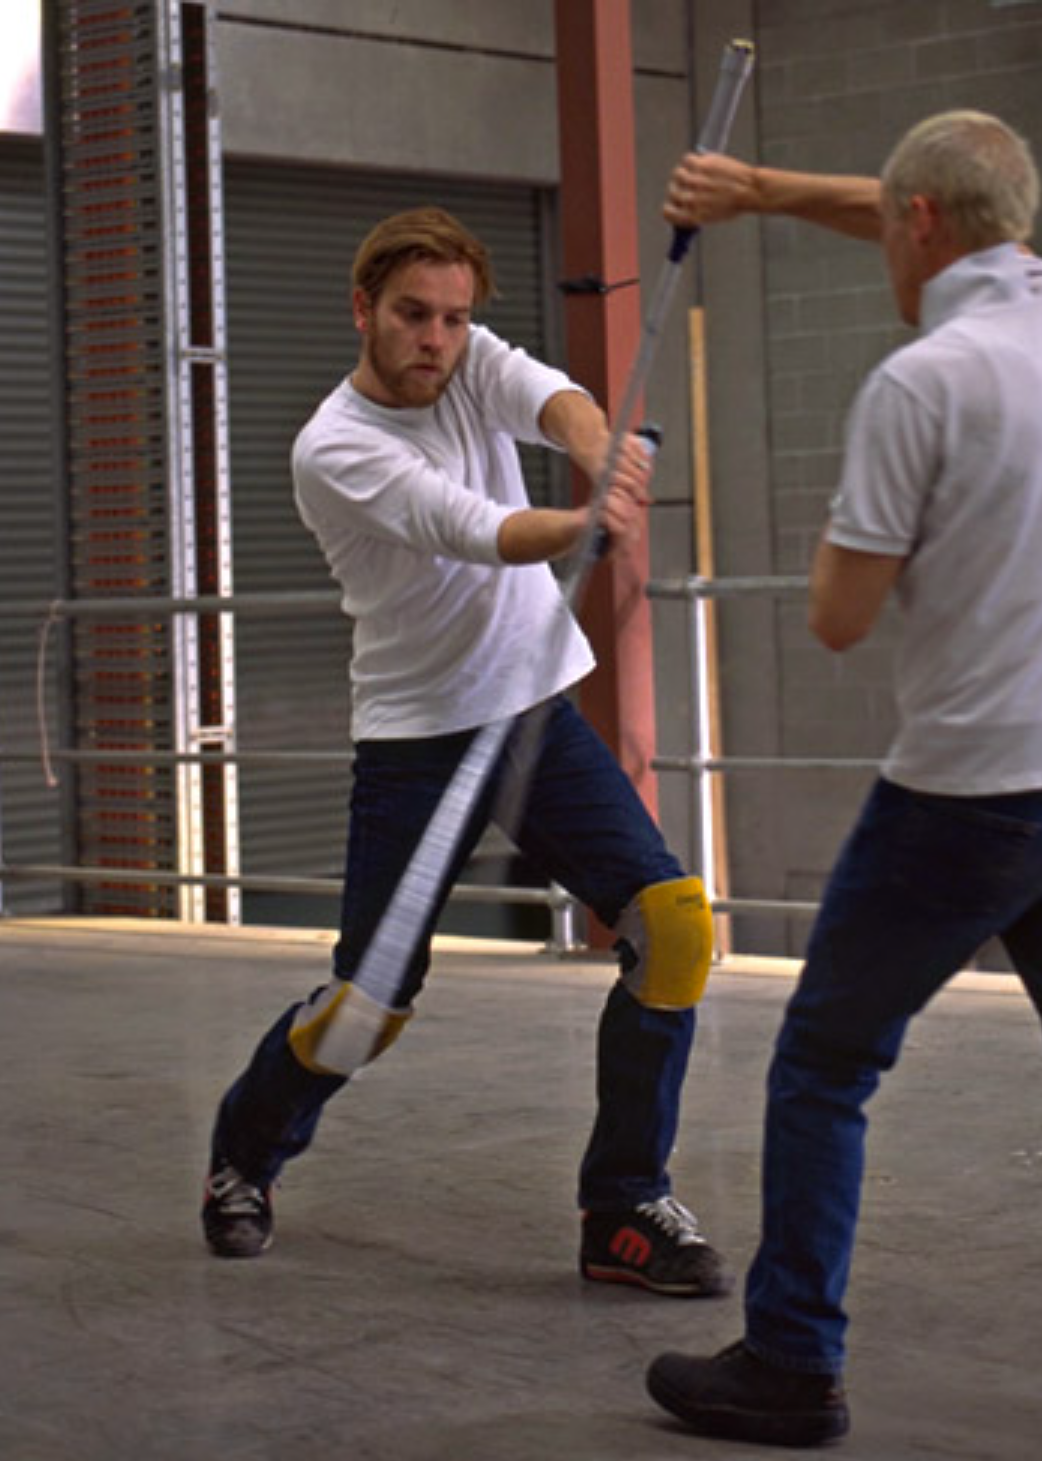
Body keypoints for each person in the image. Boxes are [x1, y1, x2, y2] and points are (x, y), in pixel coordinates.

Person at [645, 111, 1042, 1445]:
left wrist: (877, 531)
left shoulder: (920, 381)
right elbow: (921, 201)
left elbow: (840, 617)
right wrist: (761, 190)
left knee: (824, 1068)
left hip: (965, 802)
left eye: (892, 224)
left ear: (917, 228)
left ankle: (791, 1363)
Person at [202, 205, 731, 1301]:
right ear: (364, 310)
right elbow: (472, 529)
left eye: (451, 317)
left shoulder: (473, 359)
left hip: (536, 713)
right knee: (367, 1011)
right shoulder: (335, 448)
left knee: (674, 928)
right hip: (420, 739)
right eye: (411, 315)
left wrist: (605, 456)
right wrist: (590, 521)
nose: (435, 338)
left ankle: (623, 1207)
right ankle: (243, 1156)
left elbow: (561, 403)